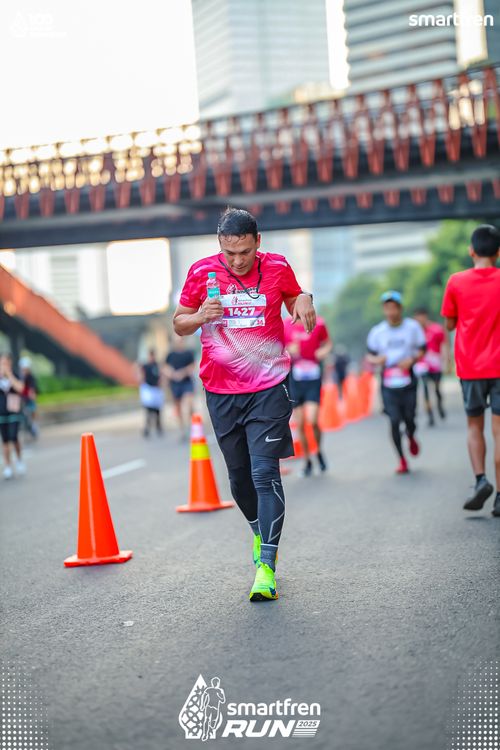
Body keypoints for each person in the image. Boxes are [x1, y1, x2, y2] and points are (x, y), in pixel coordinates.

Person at [173, 207, 316, 601]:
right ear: (220, 245)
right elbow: (179, 322)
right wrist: (200, 316)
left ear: (258, 242)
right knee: (238, 478)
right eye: (230, 253)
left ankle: (266, 566)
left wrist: (304, 299)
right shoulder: (202, 272)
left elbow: (294, 297)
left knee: (264, 474)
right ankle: (258, 531)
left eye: (245, 252)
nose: (237, 261)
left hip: (269, 387)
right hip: (221, 391)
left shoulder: (277, 267)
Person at [441, 224, 500, 516]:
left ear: (471, 251)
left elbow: (450, 323)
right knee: (499, 431)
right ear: (498, 252)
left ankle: (480, 480)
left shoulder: (456, 282)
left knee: (475, 426)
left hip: (471, 366)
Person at [366, 291, 427, 474]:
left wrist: (412, 360)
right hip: (388, 382)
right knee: (393, 420)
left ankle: (411, 435)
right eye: (387, 308)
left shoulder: (412, 327)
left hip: (408, 379)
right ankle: (402, 459)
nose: (391, 311)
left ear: (400, 309)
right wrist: (377, 360)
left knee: (409, 418)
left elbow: (422, 349)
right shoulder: (377, 332)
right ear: (384, 310)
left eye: (394, 307)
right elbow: (370, 355)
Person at [284, 314, 332, 476]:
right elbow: (276, 347)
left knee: (312, 420)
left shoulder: (319, 323)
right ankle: (307, 460)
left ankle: (318, 450)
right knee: (301, 423)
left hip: (313, 378)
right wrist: (288, 349)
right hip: (295, 379)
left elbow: (328, 344)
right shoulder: (285, 325)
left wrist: (322, 351)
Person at [412, 307, 449, 427]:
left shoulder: (436, 329)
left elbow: (444, 344)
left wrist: (446, 360)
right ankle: (430, 415)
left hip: (435, 364)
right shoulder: (413, 332)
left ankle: (439, 404)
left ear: (426, 316)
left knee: (437, 389)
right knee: (425, 389)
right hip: (421, 365)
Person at [163, 334, 196, 440]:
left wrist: (182, 373)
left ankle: (192, 426)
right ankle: (182, 429)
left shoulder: (188, 353)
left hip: (186, 382)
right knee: (178, 407)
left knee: (189, 403)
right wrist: (172, 374)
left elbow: (192, 366)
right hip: (175, 384)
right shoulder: (170, 355)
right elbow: (165, 368)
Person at [0, 353, 26, 479]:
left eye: (5, 362)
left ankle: (19, 460)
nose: (3, 365)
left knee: (14, 437)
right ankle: (8, 466)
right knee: (5, 440)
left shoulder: (15, 374)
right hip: (2, 412)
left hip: (14, 411)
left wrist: (9, 375)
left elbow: (20, 388)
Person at [138, 348, 164, 437]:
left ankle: (158, 426)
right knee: (148, 410)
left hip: (156, 389)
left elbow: (161, 375)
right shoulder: (145, 366)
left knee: (157, 410)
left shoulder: (157, 365)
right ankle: (147, 428)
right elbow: (141, 375)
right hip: (148, 389)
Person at [19, 356, 39, 439]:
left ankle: (34, 425)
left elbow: (33, 388)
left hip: (29, 399)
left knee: (33, 410)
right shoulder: (20, 377)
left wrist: (32, 393)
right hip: (23, 399)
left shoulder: (31, 377)